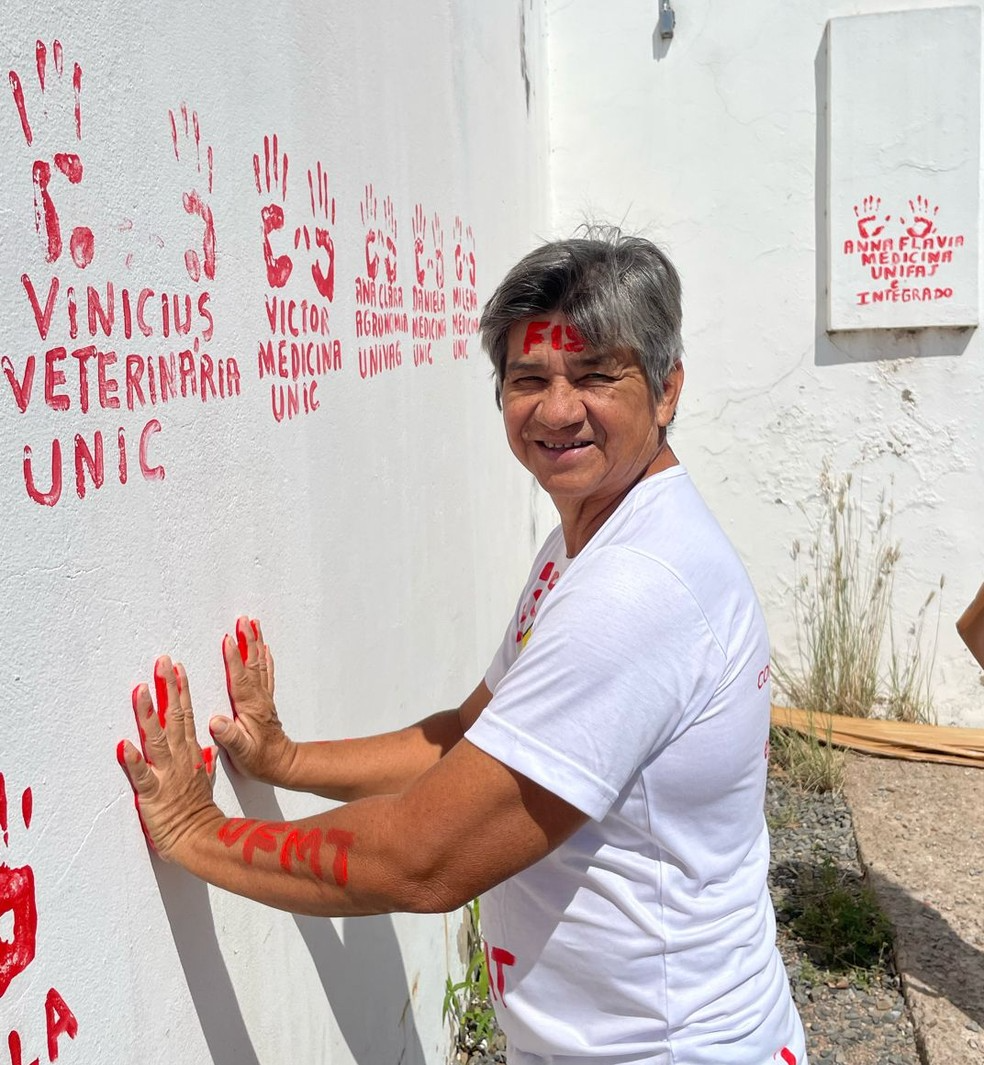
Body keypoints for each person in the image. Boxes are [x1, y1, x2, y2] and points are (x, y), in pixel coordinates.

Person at [118, 229, 808, 1065]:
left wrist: (198, 834)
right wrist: (284, 759)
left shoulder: (636, 588)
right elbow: (464, 738)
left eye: (596, 375)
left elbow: (423, 859)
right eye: (529, 380)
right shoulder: (585, 545)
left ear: (667, 391)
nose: (557, 410)